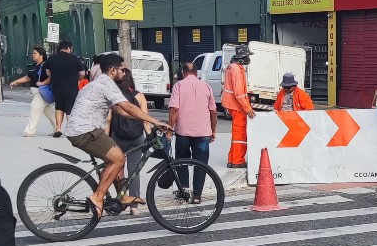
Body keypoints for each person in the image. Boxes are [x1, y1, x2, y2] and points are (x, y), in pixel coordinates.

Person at [64, 53, 167, 218]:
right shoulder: (107, 84)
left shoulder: (100, 83)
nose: (125, 73)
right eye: (122, 69)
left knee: (115, 159)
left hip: (81, 129)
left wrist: (145, 120)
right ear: (113, 70)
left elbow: (122, 112)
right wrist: (154, 121)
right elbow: (128, 107)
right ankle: (97, 197)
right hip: (85, 131)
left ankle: (122, 196)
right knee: (119, 158)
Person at [167, 62, 217, 204]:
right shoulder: (206, 86)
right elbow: (213, 111)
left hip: (183, 132)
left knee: (182, 161)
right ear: (197, 73)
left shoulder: (179, 86)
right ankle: (197, 196)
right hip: (203, 133)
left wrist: (170, 129)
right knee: (201, 164)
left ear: (183, 72)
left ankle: (184, 192)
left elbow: (174, 110)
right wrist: (213, 131)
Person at [105, 69, 151, 215]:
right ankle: (134, 206)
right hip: (136, 138)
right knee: (134, 171)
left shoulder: (114, 97)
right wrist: (149, 135)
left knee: (116, 168)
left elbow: (108, 119)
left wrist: (106, 137)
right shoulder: (139, 96)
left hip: (117, 137)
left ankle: (118, 199)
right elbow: (144, 118)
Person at [9, 46, 55, 137]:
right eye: (32, 53)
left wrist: (43, 83)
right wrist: (16, 82)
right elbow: (28, 77)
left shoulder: (46, 65)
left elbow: (52, 76)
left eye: (35, 53)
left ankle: (29, 131)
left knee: (35, 109)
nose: (32, 55)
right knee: (50, 112)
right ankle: (58, 129)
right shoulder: (34, 66)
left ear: (41, 55)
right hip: (36, 91)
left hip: (42, 92)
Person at [222, 44, 256, 169]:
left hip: (233, 105)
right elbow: (239, 93)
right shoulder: (236, 69)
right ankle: (237, 160)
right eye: (247, 56)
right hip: (238, 107)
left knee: (237, 134)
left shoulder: (232, 67)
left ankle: (233, 159)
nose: (248, 59)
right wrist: (248, 109)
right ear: (242, 57)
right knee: (240, 135)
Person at [46, 40, 86, 137]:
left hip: (57, 86)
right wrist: (77, 79)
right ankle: (71, 129)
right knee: (70, 108)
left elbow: (48, 73)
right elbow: (82, 74)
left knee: (59, 107)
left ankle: (58, 128)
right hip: (71, 87)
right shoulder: (74, 59)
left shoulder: (51, 58)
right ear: (68, 48)